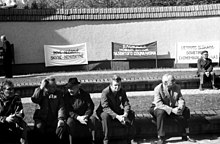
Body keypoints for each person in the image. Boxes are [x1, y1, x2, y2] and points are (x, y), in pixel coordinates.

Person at [149, 74, 196, 144]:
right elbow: (159, 104)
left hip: (170, 107)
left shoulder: (177, 87)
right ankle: (161, 137)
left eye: (174, 80)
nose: (175, 81)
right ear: (165, 82)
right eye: (172, 81)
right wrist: (172, 110)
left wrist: (180, 108)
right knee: (161, 112)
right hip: (157, 107)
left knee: (186, 110)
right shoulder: (158, 88)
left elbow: (181, 99)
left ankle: (185, 134)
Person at [95, 75, 135, 144]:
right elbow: (105, 107)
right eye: (115, 85)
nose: (117, 87)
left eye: (119, 85)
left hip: (116, 109)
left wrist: (125, 114)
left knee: (131, 113)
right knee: (105, 116)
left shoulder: (122, 91)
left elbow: (126, 104)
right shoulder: (105, 92)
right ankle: (106, 139)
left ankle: (130, 138)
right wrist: (117, 116)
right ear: (111, 85)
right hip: (104, 111)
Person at [31, 76, 67, 144]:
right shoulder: (40, 92)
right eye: (52, 86)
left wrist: (61, 119)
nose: (55, 88)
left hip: (54, 119)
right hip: (41, 119)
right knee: (39, 127)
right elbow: (35, 99)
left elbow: (61, 107)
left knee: (61, 126)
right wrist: (41, 88)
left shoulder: (59, 93)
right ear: (46, 87)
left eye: (55, 86)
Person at [64, 77, 94, 144]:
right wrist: (78, 117)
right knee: (69, 122)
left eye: (72, 88)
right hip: (73, 118)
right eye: (69, 88)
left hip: (84, 117)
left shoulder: (85, 95)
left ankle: (93, 141)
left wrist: (86, 116)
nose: (70, 90)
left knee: (93, 120)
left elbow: (90, 107)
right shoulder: (66, 96)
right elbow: (68, 110)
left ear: (78, 87)